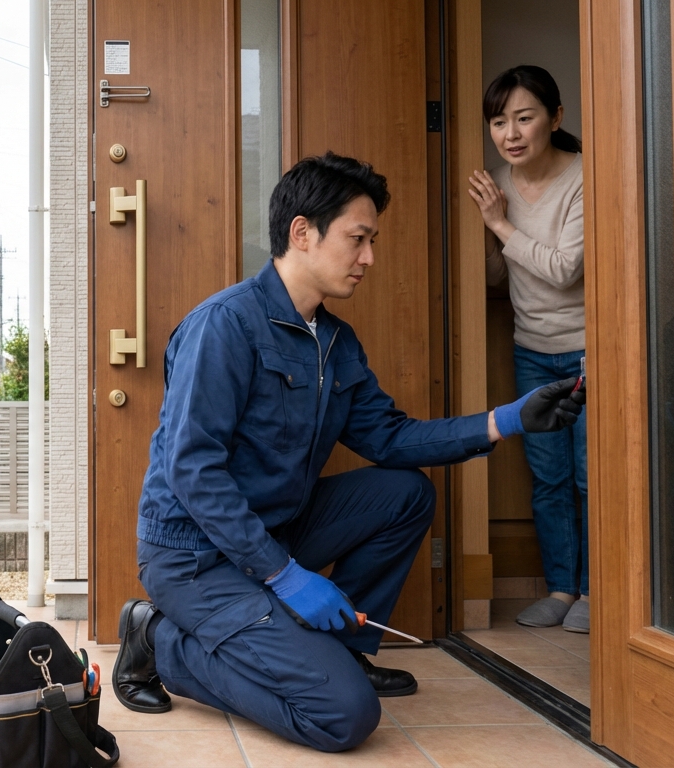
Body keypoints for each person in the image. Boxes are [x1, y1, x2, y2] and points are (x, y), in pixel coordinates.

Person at [112, 152, 586, 752]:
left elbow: (390, 438)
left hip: (276, 532)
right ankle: (159, 639)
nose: (369, 258)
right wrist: (284, 577)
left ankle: (341, 651)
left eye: (372, 241)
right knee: (343, 717)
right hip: (195, 556)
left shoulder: (335, 341)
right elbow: (192, 469)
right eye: (357, 239)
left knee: (405, 492)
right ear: (302, 233)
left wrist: (509, 418)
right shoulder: (225, 326)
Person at [467, 65, 588, 633]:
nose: (510, 133)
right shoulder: (498, 183)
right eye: (499, 121)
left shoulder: (584, 178)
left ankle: (599, 592)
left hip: (589, 347)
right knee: (549, 477)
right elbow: (499, 276)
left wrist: (500, 224)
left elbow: (565, 270)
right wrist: (489, 233)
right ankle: (562, 589)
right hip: (531, 347)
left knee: (593, 476)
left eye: (524, 117)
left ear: (555, 118)